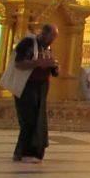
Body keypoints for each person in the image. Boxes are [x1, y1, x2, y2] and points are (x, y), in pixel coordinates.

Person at [11, 24, 60, 163]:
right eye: (51, 37)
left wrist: (54, 66)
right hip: (26, 86)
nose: (52, 41)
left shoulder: (47, 47)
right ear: (44, 34)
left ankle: (34, 152)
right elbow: (19, 64)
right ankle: (24, 152)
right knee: (28, 120)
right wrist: (38, 63)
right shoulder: (28, 43)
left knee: (39, 120)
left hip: (42, 87)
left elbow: (51, 68)